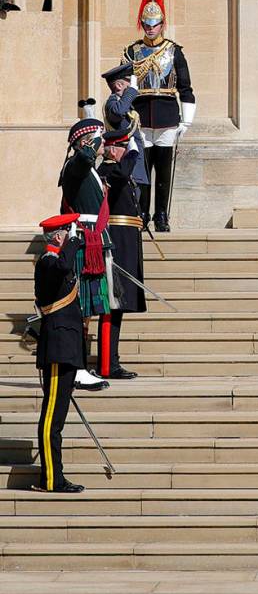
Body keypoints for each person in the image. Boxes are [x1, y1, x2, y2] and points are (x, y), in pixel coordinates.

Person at [122, 0, 196, 232]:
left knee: (163, 169)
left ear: (162, 24)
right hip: (141, 116)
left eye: (154, 24)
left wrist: (186, 120)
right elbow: (127, 86)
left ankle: (161, 214)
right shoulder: (133, 52)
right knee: (142, 171)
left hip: (166, 115)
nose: (150, 28)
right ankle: (142, 213)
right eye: (146, 24)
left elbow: (185, 87)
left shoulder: (174, 51)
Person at [34, 213, 89, 493]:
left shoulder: (59, 262)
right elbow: (62, 264)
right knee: (51, 420)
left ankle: (54, 475)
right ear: (58, 236)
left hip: (66, 349)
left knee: (58, 418)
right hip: (56, 349)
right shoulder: (48, 262)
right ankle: (52, 478)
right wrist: (73, 242)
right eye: (67, 232)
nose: (72, 237)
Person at [58, 116, 113, 392]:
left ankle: (79, 367)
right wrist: (91, 145)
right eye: (99, 139)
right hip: (82, 241)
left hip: (93, 239)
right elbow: (82, 160)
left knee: (88, 310)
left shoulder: (89, 168)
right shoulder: (75, 166)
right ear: (87, 141)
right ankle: (77, 369)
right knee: (80, 309)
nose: (103, 144)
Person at [96, 129, 147, 379]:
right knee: (112, 305)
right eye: (126, 149)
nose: (130, 155)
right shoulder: (108, 171)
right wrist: (132, 152)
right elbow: (121, 173)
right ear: (115, 150)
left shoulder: (117, 171)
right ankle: (107, 364)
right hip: (117, 244)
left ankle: (111, 361)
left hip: (126, 242)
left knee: (118, 306)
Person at [101, 62, 150, 220]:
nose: (133, 89)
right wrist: (131, 92)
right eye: (129, 84)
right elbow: (118, 112)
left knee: (134, 200)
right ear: (120, 85)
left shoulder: (127, 107)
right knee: (127, 204)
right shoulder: (112, 104)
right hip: (123, 161)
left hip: (133, 162)